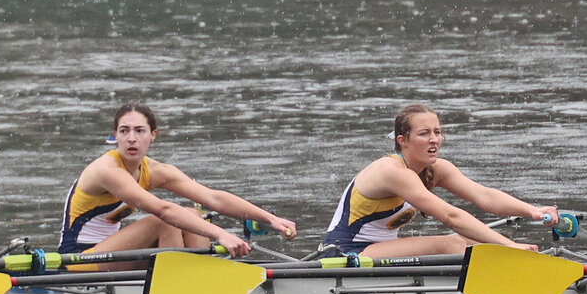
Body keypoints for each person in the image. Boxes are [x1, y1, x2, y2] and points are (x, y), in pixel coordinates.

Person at [59, 103, 297, 259]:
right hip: (78, 259)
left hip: (114, 255)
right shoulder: (106, 170)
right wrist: (221, 235)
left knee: (193, 214)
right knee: (163, 222)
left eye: (140, 131)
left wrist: (270, 218)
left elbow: (212, 197)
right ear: (115, 136)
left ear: (153, 135)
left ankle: (202, 278)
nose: (131, 138)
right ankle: (185, 287)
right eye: (124, 131)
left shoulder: (154, 170)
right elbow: (163, 210)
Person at [322, 104, 558, 256]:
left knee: (475, 241)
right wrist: (509, 246)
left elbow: (484, 196)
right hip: (344, 253)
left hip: (377, 252)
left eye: (437, 132)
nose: (434, 139)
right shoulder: (391, 171)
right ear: (403, 140)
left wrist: (533, 211)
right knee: (453, 244)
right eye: (424, 134)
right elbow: (450, 217)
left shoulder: (435, 169)